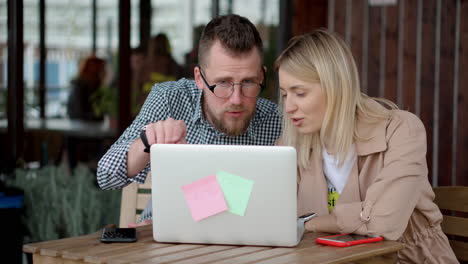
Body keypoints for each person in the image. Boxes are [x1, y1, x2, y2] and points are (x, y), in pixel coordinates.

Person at [275, 29, 458, 263]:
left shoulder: (401, 130)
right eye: (284, 94)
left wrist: (308, 223)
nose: (288, 106)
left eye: (299, 93)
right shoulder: (294, 144)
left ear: (336, 87)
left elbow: (384, 221)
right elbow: (263, 207)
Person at [97, 14, 282, 225]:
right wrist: (147, 141)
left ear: (261, 76)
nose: (236, 99)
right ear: (199, 78)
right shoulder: (170, 99)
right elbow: (106, 176)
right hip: (166, 240)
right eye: (223, 82)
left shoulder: (278, 122)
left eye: (248, 82)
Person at [67, 55, 106, 121]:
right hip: (80, 121)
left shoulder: (95, 84)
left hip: (87, 121)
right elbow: (79, 111)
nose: (102, 70)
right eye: (100, 68)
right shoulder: (79, 84)